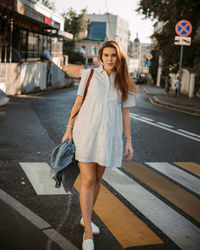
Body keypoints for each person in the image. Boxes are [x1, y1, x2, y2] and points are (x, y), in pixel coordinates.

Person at [61, 40, 137, 250]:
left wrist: (128, 141)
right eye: (106, 55)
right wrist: (69, 127)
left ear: (118, 57)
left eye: (113, 55)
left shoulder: (125, 81)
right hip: (86, 133)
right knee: (87, 180)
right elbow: (78, 102)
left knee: (98, 179)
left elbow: (126, 112)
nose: (110, 59)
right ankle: (87, 234)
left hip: (110, 136)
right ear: (100, 57)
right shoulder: (90, 75)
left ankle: (85, 218)